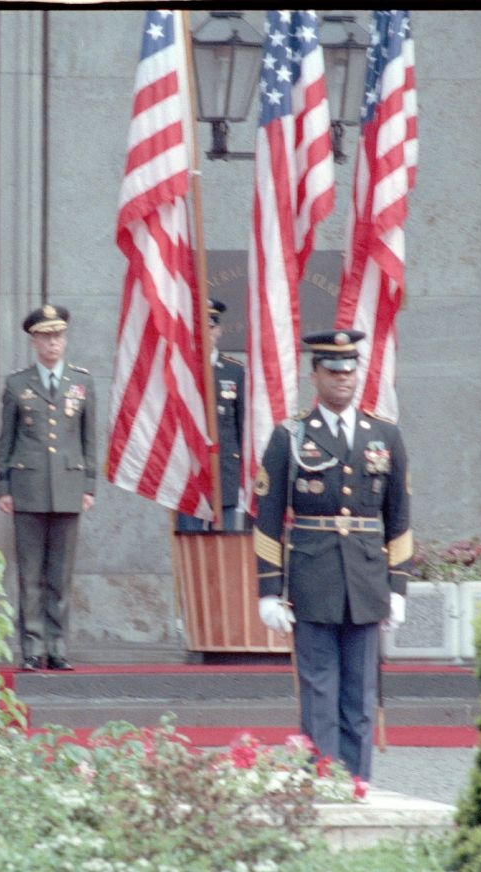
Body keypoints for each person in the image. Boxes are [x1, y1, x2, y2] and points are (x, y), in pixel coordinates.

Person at [253, 329, 411, 781]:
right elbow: (267, 518)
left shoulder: (385, 436)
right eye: (333, 370)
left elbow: (399, 518)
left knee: (360, 696)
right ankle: (323, 783)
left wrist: (397, 586)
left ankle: (358, 784)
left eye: (350, 370)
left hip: (365, 581)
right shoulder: (290, 436)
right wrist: (268, 589)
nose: (343, 379)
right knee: (319, 692)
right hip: (312, 578)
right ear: (314, 374)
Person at [0, 304, 96, 672]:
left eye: (57, 335)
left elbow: (89, 439)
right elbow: (5, 439)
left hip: (69, 486)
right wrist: (3, 486)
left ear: (64, 339)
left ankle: (59, 646)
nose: (52, 342)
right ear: (34, 341)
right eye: (45, 336)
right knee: (31, 575)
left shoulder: (81, 382)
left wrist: (89, 485)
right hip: (28, 487)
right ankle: (33, 647)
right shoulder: (17, 384)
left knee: (61, 575)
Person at [176, 298, 246, 532]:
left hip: (224, 471)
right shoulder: (180, 368)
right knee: (190, 544)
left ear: (218, 330)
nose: (205, 333)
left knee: (223, 546)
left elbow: (242, 426)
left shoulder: (234, 371)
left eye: (210, 327)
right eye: (199, 328)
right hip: (190, 470)